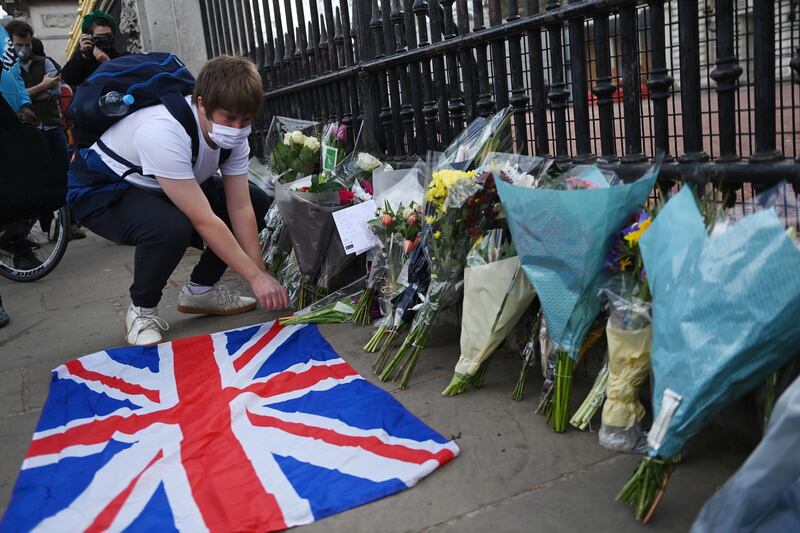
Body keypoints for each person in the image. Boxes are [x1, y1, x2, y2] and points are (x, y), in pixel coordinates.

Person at [67, 55, 288, 346]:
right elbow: (203, 220)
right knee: (170, 228)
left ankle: (201, 291)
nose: (236, 128)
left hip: (165, 184)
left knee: (259, 200)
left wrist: (259, 273)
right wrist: (256, 279)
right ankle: (141, 311)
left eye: (245, 120)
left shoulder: (235, 138)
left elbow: (240, 206)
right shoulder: (163, 131)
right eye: (229, 118)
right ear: (202, 104)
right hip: (104, 189)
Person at [5, 21, 84, 241]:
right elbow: (11, 97)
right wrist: (41, 87)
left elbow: (56, 90)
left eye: (28, 43)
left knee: (62, 175)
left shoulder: (45, 62)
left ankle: (67, 225)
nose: (25, 48)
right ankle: (40, 227)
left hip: (51, 127)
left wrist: (27, 94)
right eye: (20, 44)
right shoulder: (8, 69)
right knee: (35, 181)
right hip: (26, 131)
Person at [1, 10, 37, 329]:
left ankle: (20, 248)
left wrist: (25, 103)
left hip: (10, 125)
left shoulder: (3, 39)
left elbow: (14, 77)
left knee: (17, 196)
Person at [61, 10, 125, 149]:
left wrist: (107, 63)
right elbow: (68, 77)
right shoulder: (83, 61)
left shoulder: (122, 58)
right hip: (89, 126)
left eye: (108, 36)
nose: (105, 40)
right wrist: (83, 54)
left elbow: (125, 79)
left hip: (118, 119)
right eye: (99, 37)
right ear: (89, 38)